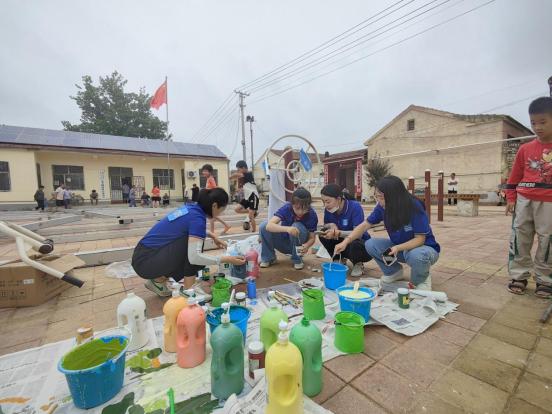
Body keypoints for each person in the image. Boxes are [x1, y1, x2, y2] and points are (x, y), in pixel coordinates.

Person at [335, 176, 440, 290]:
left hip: (424, 249)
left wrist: (398, 248)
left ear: (394, 196)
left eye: (380, 197)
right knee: (371, 244)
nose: (378, 201)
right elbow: (365, 225)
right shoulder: (382, 207)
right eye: (376, 196)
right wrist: (346, 241)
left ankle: (422, 280)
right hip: (401, 249)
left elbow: (420, 239)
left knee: (416, 255)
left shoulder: (413, 207)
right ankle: (394, 272)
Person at [132, 188, 246, 293]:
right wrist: (227, 259)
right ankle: (189, 290)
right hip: (146, 261)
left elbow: (182, 230)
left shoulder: (191, 209)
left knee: (195, 243)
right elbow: (194, 257)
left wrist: (212, 235)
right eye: (222, 210)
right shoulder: (197, 219)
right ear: (215, 206)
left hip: (143, 256)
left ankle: (158, 280)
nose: (221, 213)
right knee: (195, 252)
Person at [505, 97, 552, 298]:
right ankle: (519, 275)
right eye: (533, 122)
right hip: (524, 199)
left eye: (543, 122)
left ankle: (545, 279)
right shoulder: (525, 149)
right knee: (520, 237)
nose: (537, 127)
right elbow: (514, 176)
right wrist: (511, 197)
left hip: (549, 201)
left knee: (547, 240)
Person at [319, 184, 372, 277]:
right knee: (323, 233)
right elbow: (326, 224)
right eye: (323, 202)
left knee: (355, 242)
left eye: (327, 202)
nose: (325, 205)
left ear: (339, 199)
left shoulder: (355, 207)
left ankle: (358, 263)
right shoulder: (329, 209)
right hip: (341, 243)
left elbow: (358, 233)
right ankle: (338, 258)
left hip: (360, 244)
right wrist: (331, 225)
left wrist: (338, 232)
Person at [259, 188, 318, 270]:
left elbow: (312, 238)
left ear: (309, 206)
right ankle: (269, 258)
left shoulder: (312, 214)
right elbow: (269, 226)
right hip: (283, 243)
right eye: (297, 208)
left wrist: (307, 246)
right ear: (292, 204)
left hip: (298, 246)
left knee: (297, 226)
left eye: (304, 209)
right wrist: (287, 229)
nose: (301, 212)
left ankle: (297, 259)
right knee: (263, 226)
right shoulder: (287, 208)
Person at [202, 164, 231, 235]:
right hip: (211, 200)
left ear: (210, 172)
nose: (203, 172)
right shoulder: (209, 179)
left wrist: (207, 190)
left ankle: (212, 233)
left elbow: (215, 188)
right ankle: (226, 225)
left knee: (211, 218)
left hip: (213, 201)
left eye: (205, 171)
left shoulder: (211, 178)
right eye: (203, 171)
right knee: (213, 217)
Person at [232, 160, 260, 232]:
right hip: (247, 197)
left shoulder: (249, 173)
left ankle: (254, 231)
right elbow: (246, 186)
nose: (238, 171)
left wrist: (230, 177)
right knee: (237, 209)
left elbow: (237, 175)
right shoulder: (244, 177)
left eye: (239, 169)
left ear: (244, 168)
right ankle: (253, 212)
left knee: (251, 216)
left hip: (253, 196)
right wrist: (240, 190)